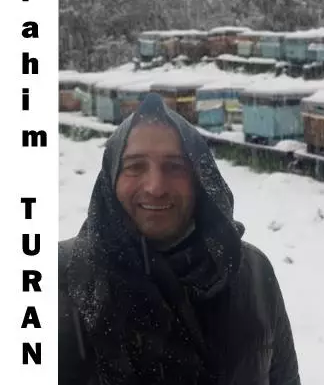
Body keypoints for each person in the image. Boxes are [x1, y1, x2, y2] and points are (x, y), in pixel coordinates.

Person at [58, 92, 301, 384]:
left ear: (198, 178)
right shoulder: (60, 275)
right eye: (135, 166)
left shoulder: (252, 273)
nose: (156, 186)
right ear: (111, 179)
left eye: (174, 166)